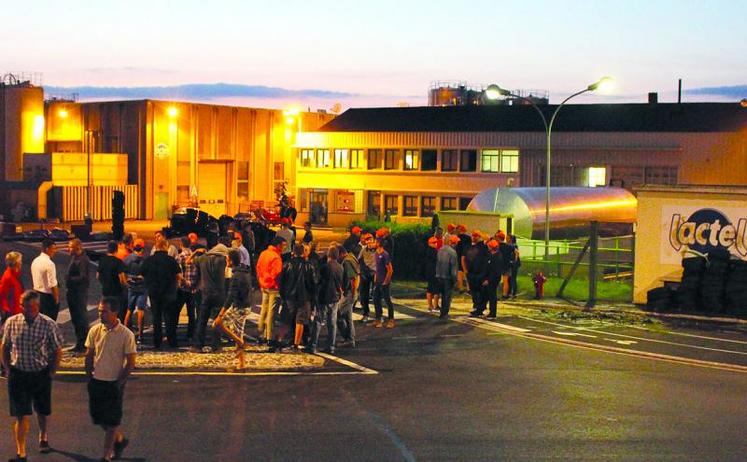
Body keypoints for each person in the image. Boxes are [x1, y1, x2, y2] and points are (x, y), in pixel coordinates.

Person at [2, 290, 63, 461]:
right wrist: (7, 368)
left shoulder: (48, 324)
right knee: (21, 414)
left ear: (37, 307)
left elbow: (57, 350)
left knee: (42, 410)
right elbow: (5, 346)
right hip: (18, 374)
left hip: (40, 374)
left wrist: (52, 371)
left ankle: (43, 436)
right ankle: (21, 451)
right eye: (22, 306)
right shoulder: (12, 322)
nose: (24, 310)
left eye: (28, 307)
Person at [85, 297, 136, 462]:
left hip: (114, 381)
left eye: (104, 311)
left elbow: (131, 361)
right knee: (98, 417)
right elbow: (89, 354)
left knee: (112, 419)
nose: (101, 314)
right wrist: (89, 376)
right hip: (97, 380)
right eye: (100, 311)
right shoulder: (95, 331)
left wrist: (120, 382)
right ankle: (119, 439)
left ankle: (107, 455)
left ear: (115, 313)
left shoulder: (126, 335)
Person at [213, 250, 253, 371]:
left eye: (227, 259)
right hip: (246, 305)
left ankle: (240, 342)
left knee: (217, 324)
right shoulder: (245, 272)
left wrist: (221, 313)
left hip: (239, 307)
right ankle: (241, 364)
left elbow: (231, 295)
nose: (226, 261)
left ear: (231, 260)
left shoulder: (236, 276)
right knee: (237, 331)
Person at [141, 239, 182, 349]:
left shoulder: (149, 260)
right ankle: (172, 341)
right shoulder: (171, 260)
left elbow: (142, 275)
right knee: (169, 317)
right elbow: (179, 276)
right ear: (165, 247)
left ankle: (157, 342)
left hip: (154, 293)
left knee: (156, 318)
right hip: (168, 292)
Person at [190, 240, 229, 352]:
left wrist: (197, 252)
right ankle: (216, 346)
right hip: (219, 293)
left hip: (206, 293)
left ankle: (197, 345)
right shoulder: (222, 260)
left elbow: (189, 261)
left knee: (202, 320)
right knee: (217, 320)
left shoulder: (202, 259)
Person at [279, 244, 317, 350]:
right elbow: (313, 283)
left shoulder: (287, 264)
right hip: (304, 297)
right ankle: (296, 343)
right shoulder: (309, 265)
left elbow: (282, 282)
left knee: (289, 318)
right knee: (300, 321)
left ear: (293, 252)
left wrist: (283, 295)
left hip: (290, 296)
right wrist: (312, 297)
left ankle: (285, 339)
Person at [311, 247, 343, 353]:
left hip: (323, 297)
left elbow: (317, 281)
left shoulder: (325, 267)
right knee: (332, 323)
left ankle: (313, 345)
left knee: (318, 321)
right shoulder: (340, 267)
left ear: (328, 255)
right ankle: (331, 346)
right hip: (335, 297)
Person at [256, 237, 284, 346]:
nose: (284, 247)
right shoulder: (276, 257)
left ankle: (260, 333)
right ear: (278, 245)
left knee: (264, 310)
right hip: (273, 287)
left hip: (264, 285)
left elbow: (258, 268)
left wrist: (261, 281)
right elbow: (277, 274)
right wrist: (278, 285)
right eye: (283, 245)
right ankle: (269, 337)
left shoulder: (264, 253)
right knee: (271, 314)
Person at [66, 239, 91, 352]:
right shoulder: (75, 258)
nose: (68, 249)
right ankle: (79, 343)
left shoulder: (83, 260)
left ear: (77, 248)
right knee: (76, 318)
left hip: (79, 293)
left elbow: (83, 277)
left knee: (81, 318)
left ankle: (84, 343)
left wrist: (70, 279)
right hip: (73, 292)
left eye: (70, 247)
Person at [123, 239, 148, 344]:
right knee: (141, 311)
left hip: (131, 286)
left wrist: (128, 280)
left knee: (129, 310)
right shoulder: (145, 260)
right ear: (142, 248)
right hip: (142, 286)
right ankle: (140, 335)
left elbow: (123, 272)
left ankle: (123, 333)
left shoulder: (127, 259)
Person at [175, 236, 199, 344]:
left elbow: (177, 272)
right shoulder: (196, 256)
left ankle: (173, 333)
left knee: (175, 311)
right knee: (191, 313)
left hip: (182, 287)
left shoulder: (180, 256)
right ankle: (191, 334)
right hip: (193, 288)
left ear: (181, 244)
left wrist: (183, 282)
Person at [97, 241, 128, 323]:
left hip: (105, 291)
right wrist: (125, 286)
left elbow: (97, 276)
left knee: (105, 312)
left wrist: (104, 283)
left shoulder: (102, 260)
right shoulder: (118, 262)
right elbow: (122, 279)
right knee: (117, 313)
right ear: (116, 250)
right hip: (116, 292)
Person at [31, 239, 60, 321]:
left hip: (36, 294)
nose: (55, 251)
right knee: (49, 322)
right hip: (47, 298)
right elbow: (52, 284)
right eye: (53, 249)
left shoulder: (35, 261)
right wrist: (56, 298)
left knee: (38, 321)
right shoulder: (50, 264)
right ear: (47, 249)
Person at [464, 231, 490, 317]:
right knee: (474, 291)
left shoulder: (483, 247)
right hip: (471, 273)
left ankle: (480, 307)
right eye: (473, 236)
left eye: (476, 236)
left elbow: (486, 261)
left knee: (480, 291)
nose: (473, 237)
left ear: (479, 237)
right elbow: (463, 258)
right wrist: (466, 270)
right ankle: (476, 306)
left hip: (480, 273)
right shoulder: (468, 246)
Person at [337, 246, 358, 347]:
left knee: (338, 315)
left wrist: (353, 292)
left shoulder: (346, 261)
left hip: (349, 293)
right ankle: (350, 339)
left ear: (341, 253)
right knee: (348, 317)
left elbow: (353, 278)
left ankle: (347, 338)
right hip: (350, 292)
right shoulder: (351, 257)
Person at [372, 238, 395, 329]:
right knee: (376, 300)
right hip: (377, 281)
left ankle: (391, 320)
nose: (373, 243)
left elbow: (390, 270)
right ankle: (378, 319)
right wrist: (375, 278)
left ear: (378, 243)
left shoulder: (385, 254)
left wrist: (386, 281)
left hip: (384, 282)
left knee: (387, 300)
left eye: (374, 242)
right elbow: (377, 268)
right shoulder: (376, 253)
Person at [436, 235, 459, 319]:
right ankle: (445, 313)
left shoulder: (440, 250)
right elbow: (453, 267)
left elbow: (437, 263)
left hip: (439, 275)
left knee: (442, 295)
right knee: (447, 296)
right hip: (448, 277)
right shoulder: (453, 253)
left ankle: (442, 312)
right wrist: (455, 279)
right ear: (454, 243)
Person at [0, 252, 24, 326]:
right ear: (15, 263)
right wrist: (6, 311)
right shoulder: (8, 277)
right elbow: (2, 295)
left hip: (17, 310)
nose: (21, 263)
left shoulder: (15, 274)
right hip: (11, 312)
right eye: (20, 261)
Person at [358, 233, 377, 322]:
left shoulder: (377, 250)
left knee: (376, 294)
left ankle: (378, 315)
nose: (369, 243)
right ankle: (366, 314)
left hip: (375, 274)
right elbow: (359, 261)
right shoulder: (363, 250)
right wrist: (362, 272)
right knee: (364, 294)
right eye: (367, 241)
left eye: (371, 240)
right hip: (366, 273)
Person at [485, 239, 506, 319]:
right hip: (493, 278)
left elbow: (494, 271)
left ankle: (493, 313)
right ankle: (491, 311)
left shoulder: (496, 257)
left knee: (492, 296)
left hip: (493, 279)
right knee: (491, 295)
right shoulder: (494, 255)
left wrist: (488, 280)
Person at [425, 236, 440, 313]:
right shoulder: (435, 252)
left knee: (429, 288)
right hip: (434, 272)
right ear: (429, 243)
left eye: (436, 242)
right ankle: (435, 305)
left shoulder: (426, 251)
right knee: (436, 289)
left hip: (428, 272)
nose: (436, 243)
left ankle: (430, 305)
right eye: (434, 242)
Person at [455, 225, 471, 293]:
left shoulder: (457, 237)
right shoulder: (468, 238)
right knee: (467, 272)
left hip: (458, 256)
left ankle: (460, 288)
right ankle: (469, 288)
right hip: (467, 256)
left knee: (459, 273)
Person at [508, 234, 521, 299]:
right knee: (511, 278)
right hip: (513, 264)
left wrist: (514, 261)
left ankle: (513, 293)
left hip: (514, 264)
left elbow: (517, 253)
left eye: (508, 238)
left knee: (512, 278)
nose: (507, 239)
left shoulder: (513, 245)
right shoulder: (512, 245)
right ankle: (511, 292)